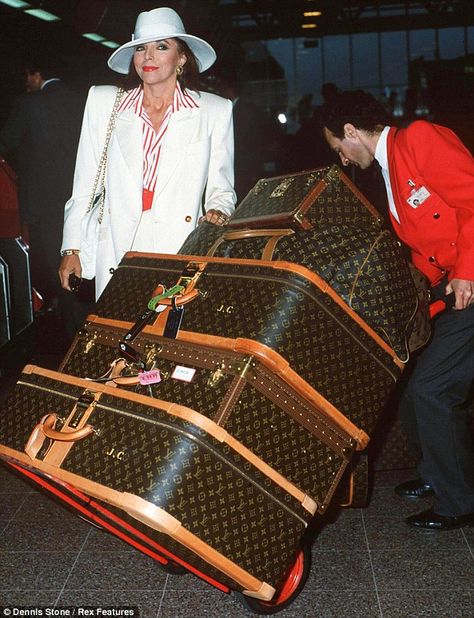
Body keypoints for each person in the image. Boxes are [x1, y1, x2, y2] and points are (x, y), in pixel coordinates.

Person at [321, 90, 474, 531]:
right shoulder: (391, 170)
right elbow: (426, 247)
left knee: (434, 386)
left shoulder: (419, 140)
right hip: (452, 284)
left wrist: (465, 271)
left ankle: (460, 499)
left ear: (351, 132)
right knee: (409, 378)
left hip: (470, 278)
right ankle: (438, 473)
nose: (344, 160)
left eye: (339, 149)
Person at [59, 6, 236, 300]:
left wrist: (218, 211)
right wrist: (71, 248)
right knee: (118, 336)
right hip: (117, 247)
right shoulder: (105, 104)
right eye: (141, 48)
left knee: (169, 342)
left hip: (180, 249)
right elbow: (84, 184)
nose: (148, 56)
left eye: (161, 46)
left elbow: (222, 189)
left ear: (181, 58)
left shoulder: (214, 111)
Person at [0, 55, 85, 319]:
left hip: (47, 203)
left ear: (36, 75)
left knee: (58, 268)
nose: (27, 82)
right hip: (82, 198)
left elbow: (6, 142)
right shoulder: (81, 99)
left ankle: (74, 329)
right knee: (83, 266)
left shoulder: (29, 104)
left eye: (27, 76)